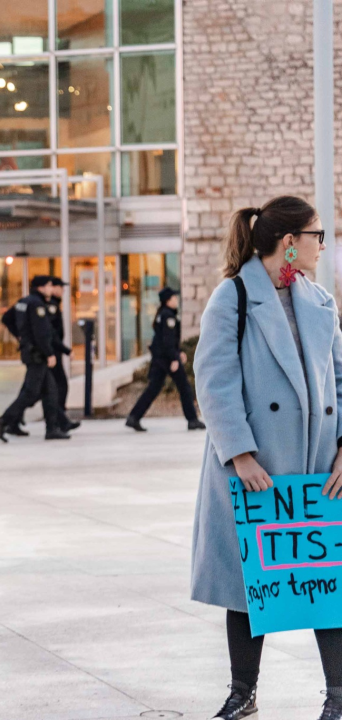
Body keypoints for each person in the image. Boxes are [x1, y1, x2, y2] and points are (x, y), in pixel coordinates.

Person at [192, 196, 342, 720]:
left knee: (326, 581)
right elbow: (214, 384)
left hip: (317, 470)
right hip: (254, 474)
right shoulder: (231, 298)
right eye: (317, 236)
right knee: (247, 587)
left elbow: (340, 381)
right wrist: (239, 455)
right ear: (289, 244)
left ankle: (339, 700)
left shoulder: (320, 300)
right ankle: (243, 693)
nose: (323, 246)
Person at [0, 276, 70, 442]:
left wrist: (20, 335)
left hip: (32, 352)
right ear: (40, 287)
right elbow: (42, 334)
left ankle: (52, 428)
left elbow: (8, 318)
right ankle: (3, 421)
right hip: (37, 354)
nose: (51, 288)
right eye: (48, 286)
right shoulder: (36, 305)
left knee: (51, 392)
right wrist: (50, 354)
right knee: (31, 392)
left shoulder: (25, 301)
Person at [125, 287, 206, 432]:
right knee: (184, 388)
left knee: (153, 388)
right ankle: (192, 420)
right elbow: (168, 341)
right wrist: (175, 358)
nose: (176, 300)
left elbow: (166, 340)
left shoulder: (162, 314)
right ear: (168, 301)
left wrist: (178, 352)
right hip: (167, 359)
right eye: (174, 298)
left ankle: (134, 417)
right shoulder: (168, 316)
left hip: (160, 358)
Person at [47, 277, 72, 413]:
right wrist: (65, 350)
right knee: (61, 384)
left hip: (53, 349)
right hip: (52, 350)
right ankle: (59, 415)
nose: (63, 290)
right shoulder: (51, 306)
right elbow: (51, 333)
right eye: (60, 287)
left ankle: (59, 417)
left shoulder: (54, 304)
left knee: (36, 389)